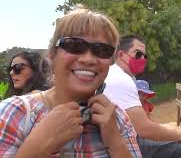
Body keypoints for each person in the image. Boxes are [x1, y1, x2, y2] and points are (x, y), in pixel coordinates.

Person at [0, 8, 141, 157]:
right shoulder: (15, 113)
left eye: (102, 50)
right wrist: (38, 145)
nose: (88, 59)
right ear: (52, 56)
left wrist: (114, 140)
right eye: (74, 45)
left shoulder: (117, 118)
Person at [104, 34, 181, 158]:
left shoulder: (116, 74)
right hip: (122, 144)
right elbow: (144, 129)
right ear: (121, 55)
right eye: (138, 54)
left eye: (144, 56)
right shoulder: (121, 79)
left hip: (116, 139)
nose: (142, 59)